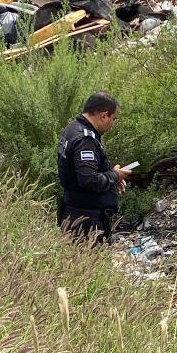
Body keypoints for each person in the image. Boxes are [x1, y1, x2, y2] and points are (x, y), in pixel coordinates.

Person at [57, 92, 131, 243]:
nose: (113, 123)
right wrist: (115, 175)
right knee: (85, 257)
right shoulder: (85, 140)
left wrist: (112, 178)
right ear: (104, 116)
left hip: (76, 213)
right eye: (113, 118)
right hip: (86, 221)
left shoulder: (72, 128)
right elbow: (89, 180)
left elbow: (84, 172)